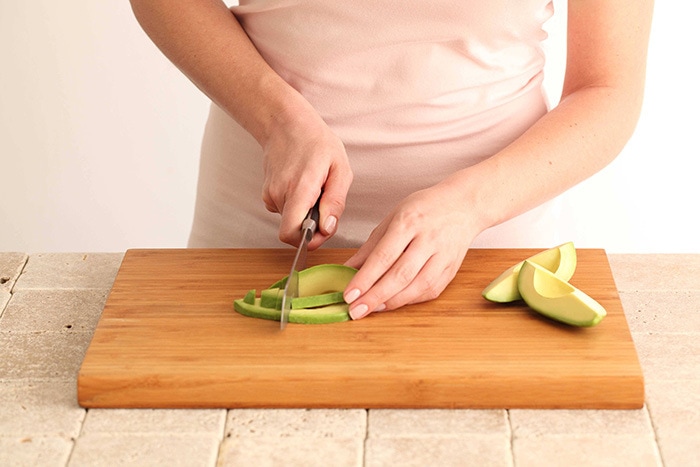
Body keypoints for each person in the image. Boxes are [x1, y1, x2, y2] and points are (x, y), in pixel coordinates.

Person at [129, 0, 654, 320]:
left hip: (485, 254)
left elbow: (607, 89)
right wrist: (276, 119)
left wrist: (468, 205)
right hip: (259, 236)